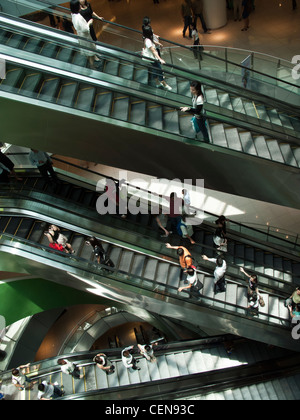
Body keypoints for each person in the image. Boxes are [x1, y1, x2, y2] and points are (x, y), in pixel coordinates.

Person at [70, 0, 100, 68]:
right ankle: (92, 65)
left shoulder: (73, 15)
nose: (80, 6)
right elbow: (85, 29)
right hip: (85, 36)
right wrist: (89, 22)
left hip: (80, 35)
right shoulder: (78, 17)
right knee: (91, 52)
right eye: (79, 5)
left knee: (88, 51)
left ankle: (91, 63)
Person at [142, 25, 172, 91]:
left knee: (156, 69)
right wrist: (160, 59)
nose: (152, 30)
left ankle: (157, 82)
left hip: (153, 58)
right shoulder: (148, 41)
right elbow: (153, 51)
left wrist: (159, 43)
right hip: (152, 58)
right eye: (151, 30)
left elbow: (153, 41)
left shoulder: (148, 38)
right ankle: (163, 84)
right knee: (160, 70)